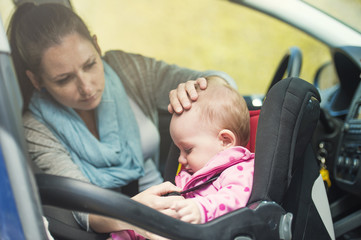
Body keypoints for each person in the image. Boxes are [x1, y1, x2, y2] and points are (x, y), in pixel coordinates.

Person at [7, 2, 237, 237]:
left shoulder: (126, 69)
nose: (86, 87)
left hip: (177, 206)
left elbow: (220, 80)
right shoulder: (35, 128)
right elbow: (83, 213)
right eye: (64, 79)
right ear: (36, 80)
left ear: (97, 46)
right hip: (116, 227)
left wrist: (200, 88)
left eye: (90, 65)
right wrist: (135, 214)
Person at [111, 79, 254, 239]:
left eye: (187, 150)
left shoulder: (240, 171)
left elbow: (234, 200)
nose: (180, 159)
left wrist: (200, 210)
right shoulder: (190, 179)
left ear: (225, 141)